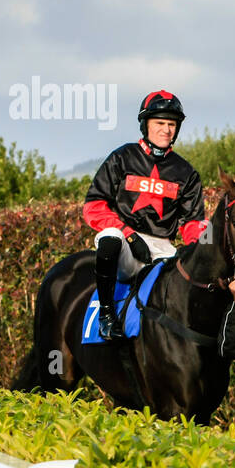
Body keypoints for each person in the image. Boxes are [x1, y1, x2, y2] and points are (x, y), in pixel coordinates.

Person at [83, 90, 209, 340]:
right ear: (145, 125)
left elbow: (194, 221)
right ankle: (106, 316)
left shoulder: (186, 172)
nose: (166, 130)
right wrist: (129, 235)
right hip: (124, 244)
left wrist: (196, 248)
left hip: (163, 248)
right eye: (160, 123)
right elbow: (93, 206)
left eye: (172, 124)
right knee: (109, 238)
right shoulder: (122, 157)